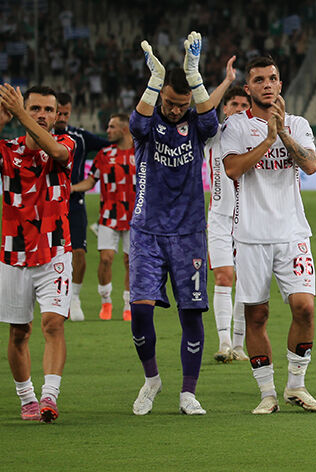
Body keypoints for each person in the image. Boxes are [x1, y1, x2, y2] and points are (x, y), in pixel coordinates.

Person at [128, 33, 233, 416]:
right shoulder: (148, 121)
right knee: (140, 311)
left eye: (181, 104)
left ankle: (188, 392)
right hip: (146, 231)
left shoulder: (198, 123)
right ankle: (152, 378)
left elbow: (209, 117)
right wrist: (154, 81)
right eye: (170, 104)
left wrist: (194, 73)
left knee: (191, 312)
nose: (175, 110)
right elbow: (136, 121)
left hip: (189, 233)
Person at [221, 55, 316, 414]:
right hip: (250, 236)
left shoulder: (296, 123)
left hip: (292, 232)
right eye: (260, 79)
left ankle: (296, 385)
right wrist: (267, 141)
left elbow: (311, 165)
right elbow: (232, 168)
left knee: (304, 307)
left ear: (280, 85)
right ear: (247, 88)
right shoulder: (235, 126)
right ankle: (267, 392)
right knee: (257, 315)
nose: (267, 84)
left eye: (273, 78)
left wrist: (281, 132)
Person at [0, 84, 76, 423]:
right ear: (25, 111)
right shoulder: (8, 149)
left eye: (49, 110)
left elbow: (57, 155)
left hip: (56, 249)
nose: (43, 115)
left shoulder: (66, 144)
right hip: (14, 254)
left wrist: (20, 117)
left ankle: (50, 396)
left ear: (58, 114)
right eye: (35, 109)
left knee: (53, 323)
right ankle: (27, 398)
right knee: (19, 332)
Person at [70, 114, 136, 322]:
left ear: (124, 129)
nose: (107, 130)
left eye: (112, 127)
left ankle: (128, 304)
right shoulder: (104, 154)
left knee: (129, 262)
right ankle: (106, 300)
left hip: (135, 217)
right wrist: (70, 188)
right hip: (109, 215)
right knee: (105, 258)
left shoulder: (141, 152)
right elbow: (90, 181)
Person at [53, 94, 111, 321]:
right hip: (49, 203)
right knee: (54, 254)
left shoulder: (79, 137)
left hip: (75, 203)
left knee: (78, 252)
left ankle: (74, 298)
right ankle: (57, 297)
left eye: (66, 113)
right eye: (59, 113)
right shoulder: (40, 136)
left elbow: (110, 146)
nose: (62, 117)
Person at [207, 87, 252, 363]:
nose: (237, 108)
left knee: (246, 283)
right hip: (219, 218)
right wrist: (225, 81)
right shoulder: (214, 134)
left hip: (249, 219)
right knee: (224, 276)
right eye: (233, 103)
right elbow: (202, 107)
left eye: (243, 104)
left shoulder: (256, 136)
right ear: (225, 108)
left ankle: (238, 345)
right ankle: (224, 342)